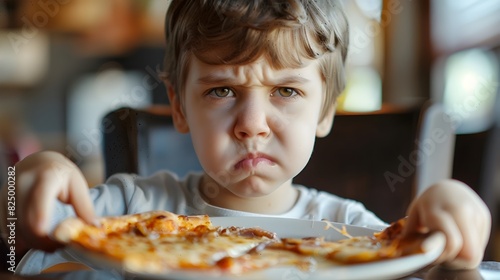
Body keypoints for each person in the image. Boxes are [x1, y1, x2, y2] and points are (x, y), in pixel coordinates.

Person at [0, 0, 491, 274]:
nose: (252, 122)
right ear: (178, 105)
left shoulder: (356, 234)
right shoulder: (123, 210)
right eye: (221, 90)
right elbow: (14, 247)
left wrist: (455, 235)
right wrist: (21, 189)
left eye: (285, 90)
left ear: (324, 108)